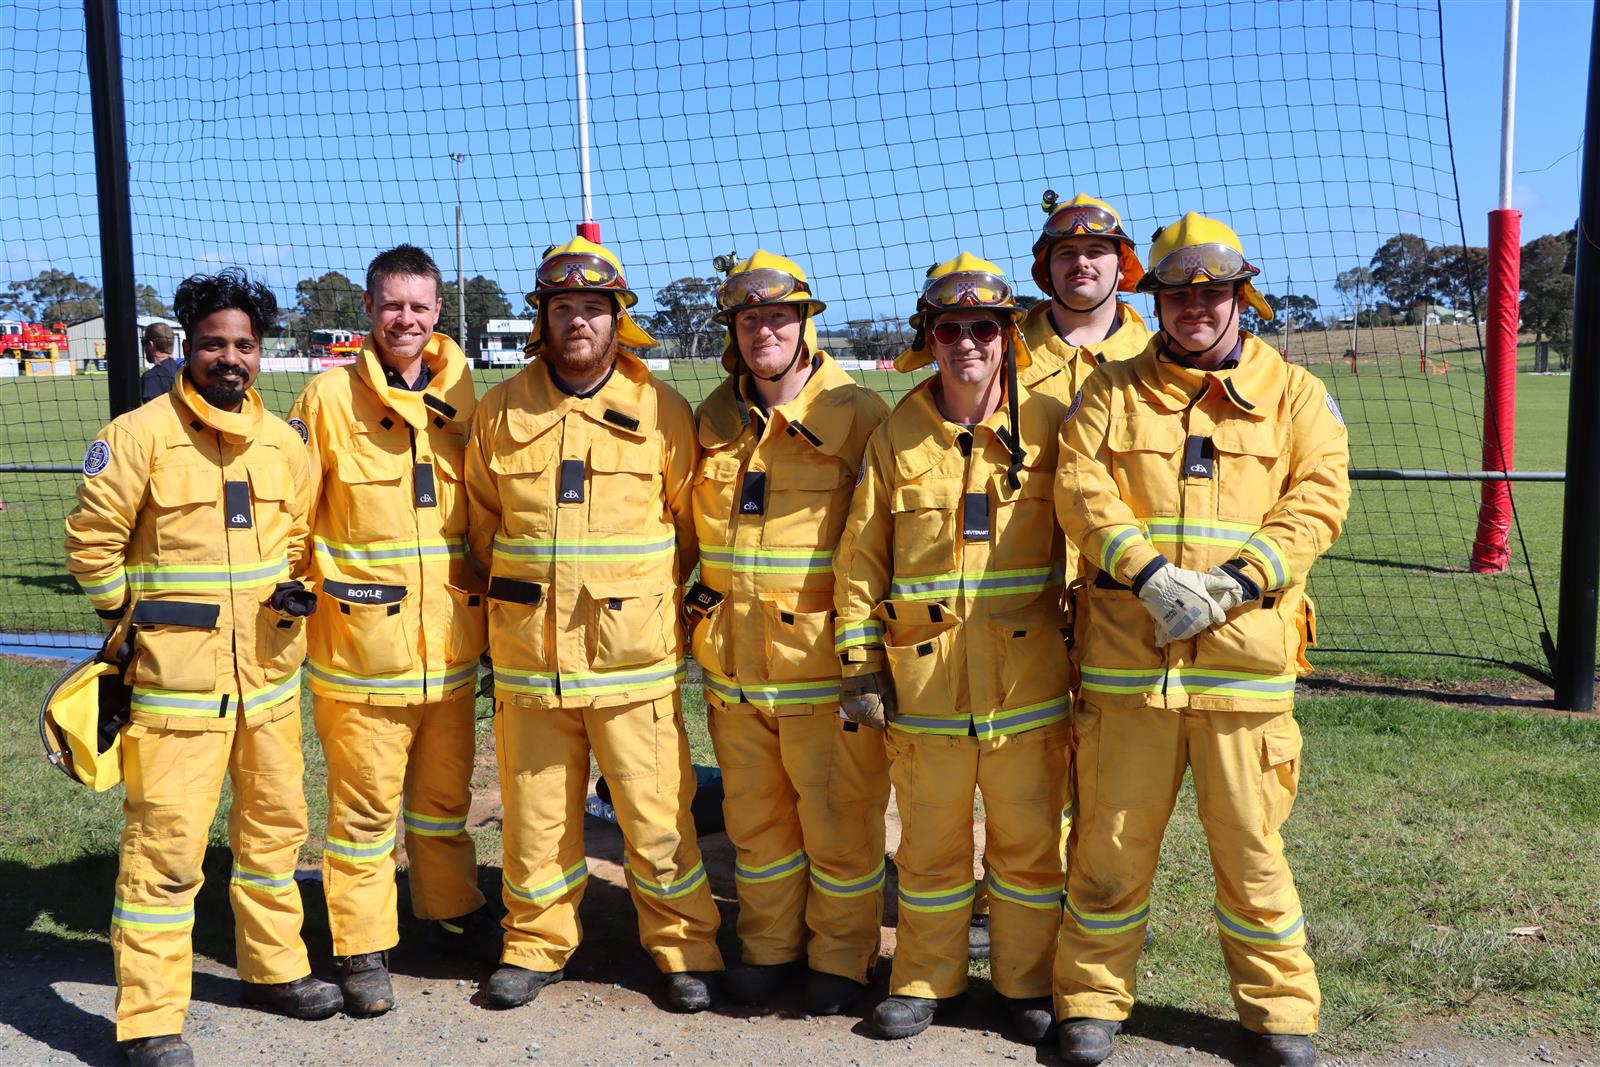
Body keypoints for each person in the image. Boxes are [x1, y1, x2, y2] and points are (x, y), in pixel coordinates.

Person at [1052, 213, 1350, 1067]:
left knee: (1254, 857)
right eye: (1178, 294)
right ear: (1159, 299)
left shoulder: (1294, 393)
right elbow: (1080, 488)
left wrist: (1236, 581)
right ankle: (1089, 1003)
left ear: (1239, 297)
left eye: (1211, 292)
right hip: (1126, 668)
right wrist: (1147, 574)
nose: (1194, 308)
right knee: (1107, 850)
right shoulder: (1110, 388)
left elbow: (1320, 496)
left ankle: (1280, 1016)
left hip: (1244, 672)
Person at [65, 269, 340, 1067]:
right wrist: (131, 622)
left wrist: (296, 588)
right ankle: (149, 1021)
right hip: (174, 694)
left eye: (244, 345)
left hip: (268, 687)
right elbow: (92, 546)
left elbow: (297, 539)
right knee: (165, 854)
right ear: (188, 347)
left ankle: (275, 969)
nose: (231, 358)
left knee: (274, 838)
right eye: (215, 343)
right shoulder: (138, 433)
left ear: (261, 352)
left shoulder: (286, 445)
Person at [464, 235, 724, 1013]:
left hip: (633, 665)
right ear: (542, 319)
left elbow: (689, 527)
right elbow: (483, 526)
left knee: (657, 816)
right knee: (536, 819)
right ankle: (534, 944)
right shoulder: (501, 409)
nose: (580, 321)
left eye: (595, 309)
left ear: (619, 321)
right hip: (530, 662)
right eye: (564, 308)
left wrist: (639, 605)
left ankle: (685, 949)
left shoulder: (662, 411)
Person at [834, 255, 1071, 1045]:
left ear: (1008, 337)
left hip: (1028, 686)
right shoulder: (898, 431)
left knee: (1029, 850)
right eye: (950, 329)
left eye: (983, 328)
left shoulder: (1053, 424)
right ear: (928, 339)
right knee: (930, 848)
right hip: (926, 685)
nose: (966, 343)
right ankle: (923, 980)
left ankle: (1024, 982)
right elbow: (862, 555)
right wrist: (860, 663)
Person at [286, 245, 489, 1017]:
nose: (407, 318)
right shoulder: (327, 398)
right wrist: (300, 602)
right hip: (362, 655)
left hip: (451, 648)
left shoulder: (465, 392)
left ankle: (449, 911)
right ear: (369, 311)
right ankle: (362, 945)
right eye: (392, 305)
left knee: (442, 800)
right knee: (365, 812)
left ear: (438, 312)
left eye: (421, 306)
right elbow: (295, 515)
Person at [689, 251, 890, 1014]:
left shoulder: (862, 415)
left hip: (824, 674)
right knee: (756, 825)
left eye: (777, 316)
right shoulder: (711, 419)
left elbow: (884, 544)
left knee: (840, 826)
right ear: (732, 332)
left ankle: (841, 958)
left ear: (806, 324)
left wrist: (867, 657)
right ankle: (770, 947)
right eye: (747, 319)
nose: (762, 330)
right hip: (734, 674)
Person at [1018, 191, 1151, 405]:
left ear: (1122, 267)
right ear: (1046, 270)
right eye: (1066, 252)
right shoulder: (1005, 355)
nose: (1081, 261)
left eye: (1095, 251)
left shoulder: (1156, 357)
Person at [140, 322, 181, 404]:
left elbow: (151, 413)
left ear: (151, 345)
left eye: (144, 342)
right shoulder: (182, 371)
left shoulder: (151, 377)